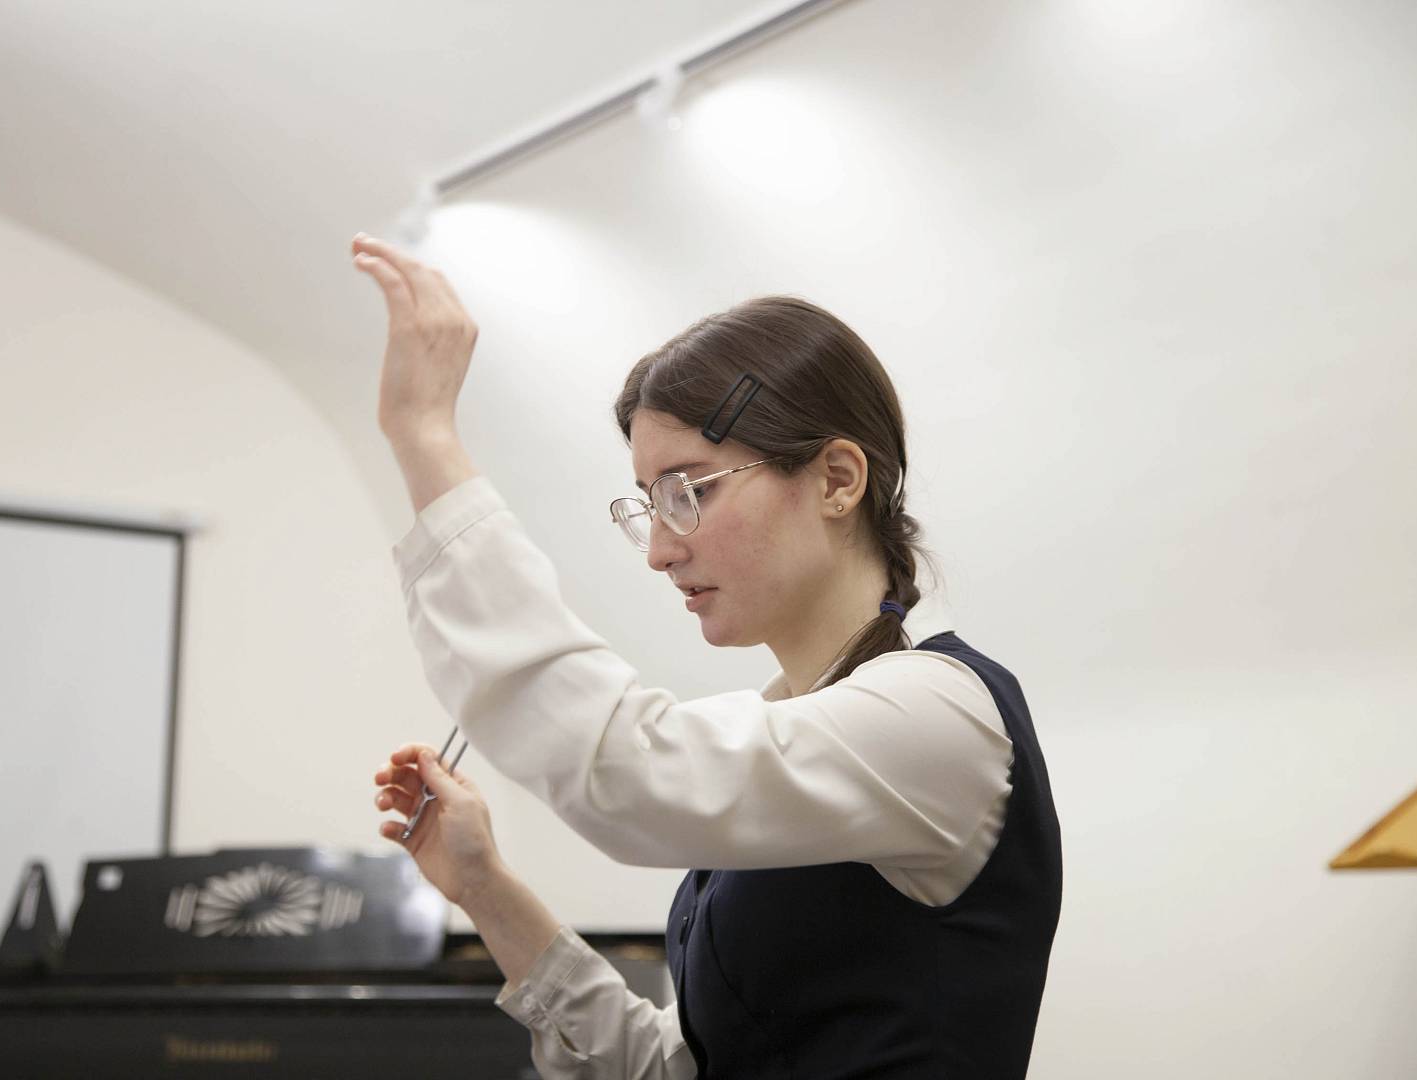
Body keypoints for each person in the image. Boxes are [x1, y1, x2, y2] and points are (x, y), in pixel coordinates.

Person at [353, 231, 1062, 1079]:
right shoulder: (798, 729)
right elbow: (678, 1068)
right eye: (648, 504)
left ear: (838, 478)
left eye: (688, 491)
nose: (660, 550)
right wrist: (483, 886)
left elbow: (625, 772)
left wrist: (424, 433)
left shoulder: (934, 716)